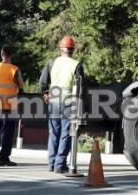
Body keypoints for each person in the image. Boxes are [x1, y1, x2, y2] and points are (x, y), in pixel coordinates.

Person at [39, 35, 84, 174]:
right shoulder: (76, 65)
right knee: (66, 133)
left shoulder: (52, 62)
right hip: (68, 102)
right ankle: (60, 164)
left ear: (61, 49)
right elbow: (80, 87)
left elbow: (42, 82)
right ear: (72, 50)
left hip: (54, 101)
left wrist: (46, 93)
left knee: (54, 132)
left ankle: (51, 163)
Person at [0, 44, 24, 166]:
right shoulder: (15, 69)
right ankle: (3, 158)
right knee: (7, 132)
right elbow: (21, 85)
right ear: (11, 55)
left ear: (2, 54)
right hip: (9, 105)